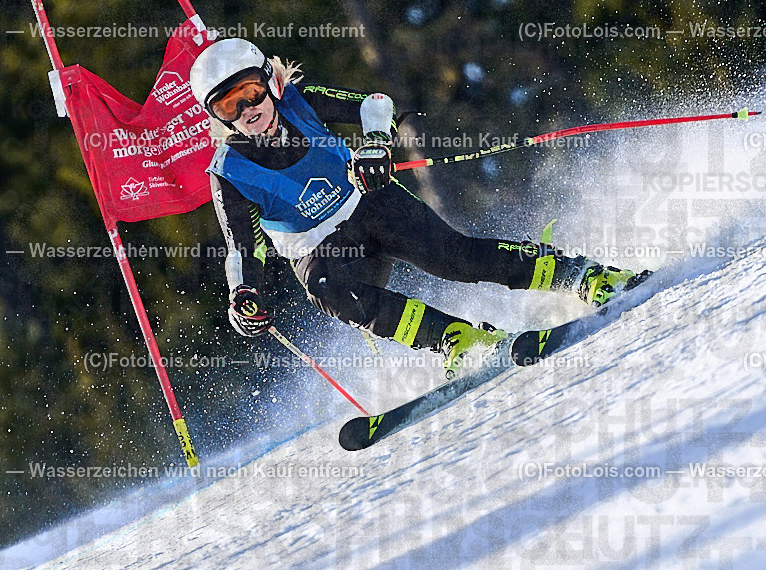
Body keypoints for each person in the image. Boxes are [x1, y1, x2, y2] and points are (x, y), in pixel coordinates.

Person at [190, 38, 645, 376]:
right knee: (338, 296)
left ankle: (583, 275)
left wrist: (375, 146)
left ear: (268, 83)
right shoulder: (228, 172)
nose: (247, 110)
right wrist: (242, 295)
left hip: (368, 204)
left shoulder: (298, 101)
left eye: (250, 92)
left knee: (456, 260)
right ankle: (457, 339)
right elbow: (241, 248)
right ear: (218, 117)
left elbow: (378, 104)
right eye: (229, 106)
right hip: (321, 252)